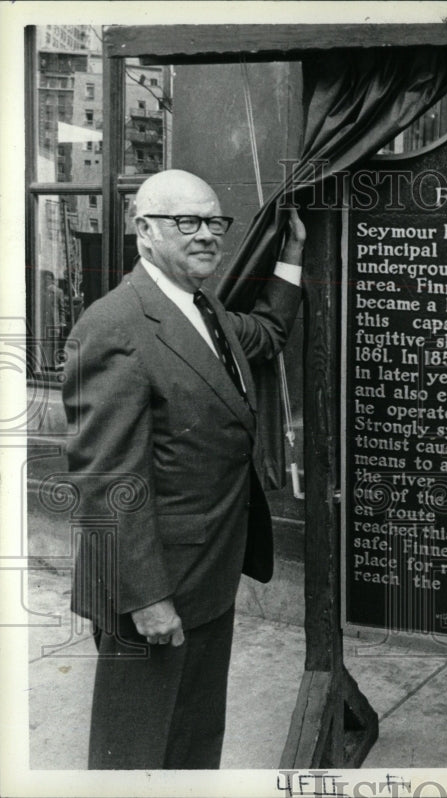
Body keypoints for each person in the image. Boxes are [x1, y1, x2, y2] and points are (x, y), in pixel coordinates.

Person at [62, 169, 305, 769]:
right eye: (185, 222)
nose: (206, 236)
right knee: (136, 755)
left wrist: (292, 253)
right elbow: (106, 480)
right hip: (152, 588)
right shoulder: (115, 324)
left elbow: (268, 333)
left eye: (214, 223)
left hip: (208, 576)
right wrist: (146, 599)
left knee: (193, 746)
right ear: (145, 231)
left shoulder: (205, 309)